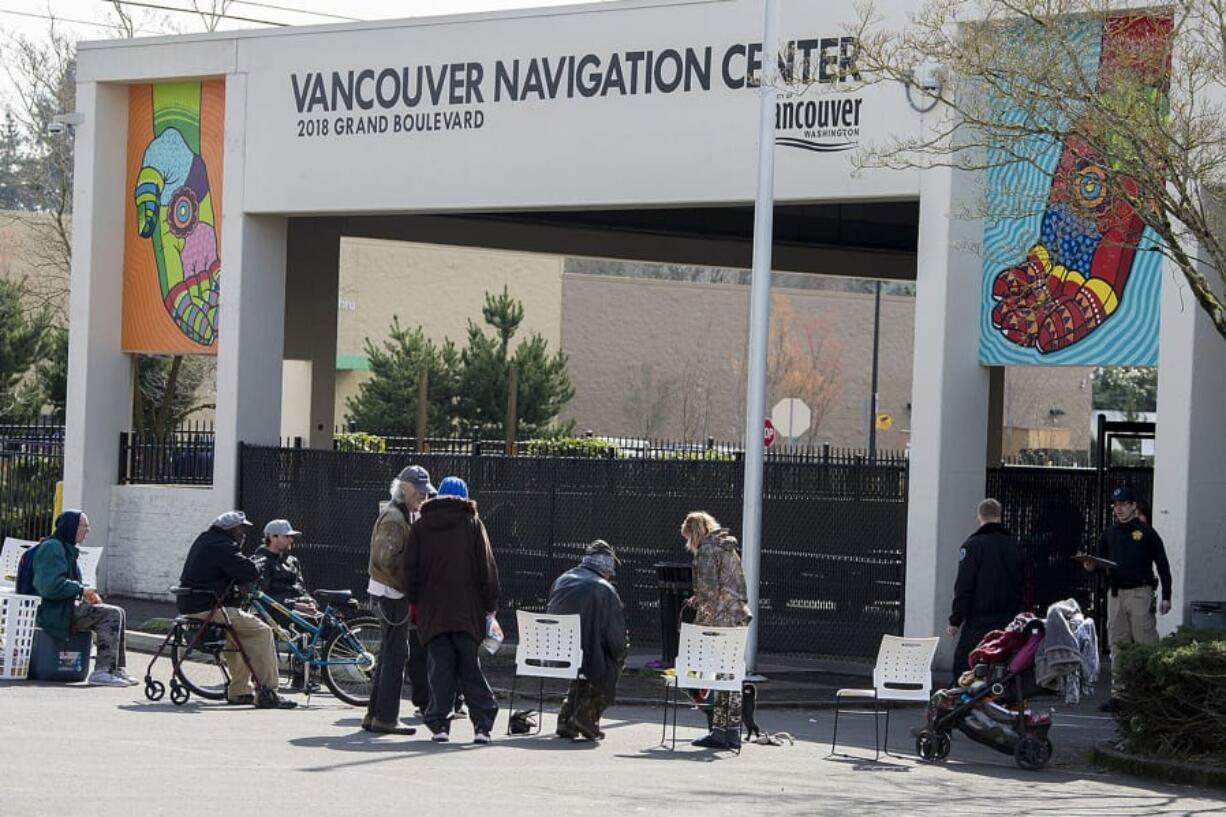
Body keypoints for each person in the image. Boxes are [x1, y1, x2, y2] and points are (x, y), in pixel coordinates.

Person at [403, 475, 500, 744]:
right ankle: (482, 725)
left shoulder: (422, 526)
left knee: (440, 667)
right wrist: (489, 604)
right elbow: (487, 566)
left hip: (433, 609)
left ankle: (439, 723)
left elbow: (410, 568)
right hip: (467, 609)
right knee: (470, 667)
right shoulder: (472, 523)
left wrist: (416, 599)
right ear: (465, 495)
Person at [178, 510, 296, 709]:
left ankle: (240, 691)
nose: (243, 534)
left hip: (194, 604)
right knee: (261, 631)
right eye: (241, 529)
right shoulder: (223, 546)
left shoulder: (206, 540)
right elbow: (248, 571)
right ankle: (268, 691)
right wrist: (256, 564)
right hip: (211, 607)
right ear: (231, 529)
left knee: (239, 636)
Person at [1081, 486, 1172, 713]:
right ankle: (1120, 694)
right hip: (1116, 594)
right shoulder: (1109, 534)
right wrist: (1091, 567)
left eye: (1123, 504)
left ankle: (1153, 693)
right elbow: (1100, 563)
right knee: (1118, 645)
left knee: (1145, 642)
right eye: (1115, 504)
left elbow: (1162, 564)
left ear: (1133, 506)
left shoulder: (1146, 532)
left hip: (1140, 592)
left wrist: (1167, 596)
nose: (1118, 509)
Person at [363, 465, 433, 735]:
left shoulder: (398, 514)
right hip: (391, 595)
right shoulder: (394, 518)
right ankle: (386, 719)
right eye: (420, 492)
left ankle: (375, 715)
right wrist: (414, 573)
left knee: (390, 655)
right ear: (405, 489)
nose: (423, 497)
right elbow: (385, 559)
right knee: (395, 656)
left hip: (387, 593)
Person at [31, 510, 138, 687]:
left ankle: (115, 669)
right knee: (110, 614)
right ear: (71, 527)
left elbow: (67, 584)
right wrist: (83, 590)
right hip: (55, 611)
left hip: (66, 607)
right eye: (84, 527)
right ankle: (102, 671)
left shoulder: (66, 548)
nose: (88, 531)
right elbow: (49, 586)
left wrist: (85, 594)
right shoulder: (52, 547)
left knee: (119, 611)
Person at [546, 539, 628, 741]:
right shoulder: (604, 589)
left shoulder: (562, 579)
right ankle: (587, 715)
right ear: (606, 569)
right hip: (585, 652)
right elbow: (615, 637)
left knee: (585, 656)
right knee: (613, 657)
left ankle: (566, 717)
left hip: (553, 649)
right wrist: (621, 650)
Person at [681, 511, 750, 750]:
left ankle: (719, 733)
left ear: (694, 532)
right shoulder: (726, 547)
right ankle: (732, 732)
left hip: (720, 621)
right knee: (732, 675)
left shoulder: (707, 551)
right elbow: (726, 583)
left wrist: (700, 628)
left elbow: (709, 594)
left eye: (687, 537)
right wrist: (699, 596)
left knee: (721, 674)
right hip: (737, 616)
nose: (688, 543)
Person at [946, 498, 1024, 687]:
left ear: (979, 517)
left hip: (978, 620)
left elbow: (964, 585)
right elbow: (1022, 582)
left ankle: (962, 708)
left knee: (963, 667)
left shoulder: (973, 545)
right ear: (1000, 516)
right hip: (1007, 619)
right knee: (1002, 667)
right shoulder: (1015, 545)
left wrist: (956, 620)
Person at [252, 518, 317, 691]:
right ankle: (276, 676)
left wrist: (309, 601)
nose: (291, 540)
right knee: (305, 623)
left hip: (295, 607)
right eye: (287, 536)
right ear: (272, 538)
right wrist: (295, 606)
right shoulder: (261, 562)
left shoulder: (292, 561)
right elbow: (264, 596)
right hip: (274, 611)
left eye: (292, 537)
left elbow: (301, 588)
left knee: (321, 620)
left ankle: (303, 675)